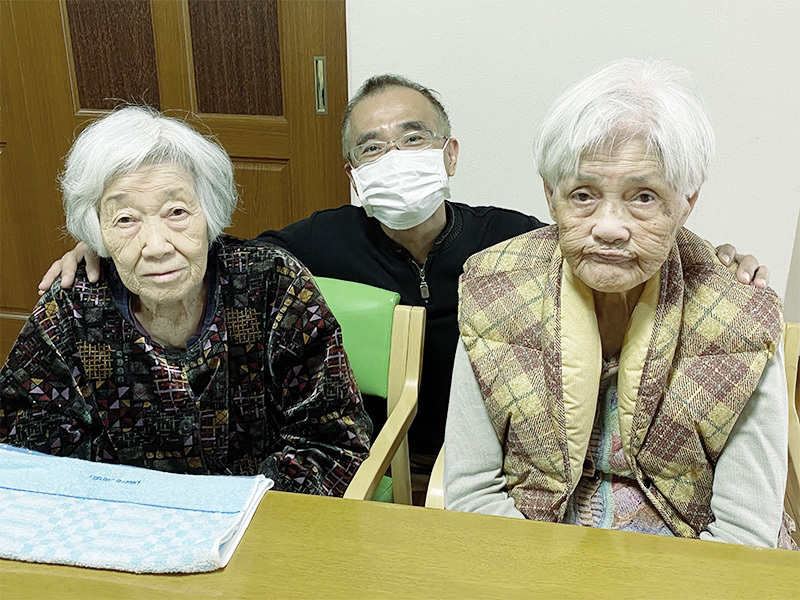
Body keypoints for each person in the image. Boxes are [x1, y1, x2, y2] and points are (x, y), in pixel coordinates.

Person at [37, 75, 768, 477]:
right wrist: (96, 245)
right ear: (353, 174)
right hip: (404, 456)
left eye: (413, 139)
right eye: (371, 149)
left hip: (503, 452)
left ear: (450, 154)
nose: (395, 158)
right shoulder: (314, 243)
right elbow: (202, 249)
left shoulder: (515, 240)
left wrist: (711, 259)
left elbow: (614, 233)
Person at [444, 59, 795, 549]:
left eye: (644, 197)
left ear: (686, 202)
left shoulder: (740, 314)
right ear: (551, 196)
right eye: (583, 194)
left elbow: (743, 531)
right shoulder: (494, 289)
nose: (609, 226)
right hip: (532, 549)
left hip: (687, 560)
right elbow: (473, 492)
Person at [1, 107, 372, 496]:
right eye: (125, 219)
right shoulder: (73, 307)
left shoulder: (273, 284)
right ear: (97, 231)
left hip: (260, 520)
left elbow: (333, 441)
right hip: (122, 521)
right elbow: (21, 441)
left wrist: (231, 512)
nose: (157, 246)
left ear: (209, 213)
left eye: (176, 212)